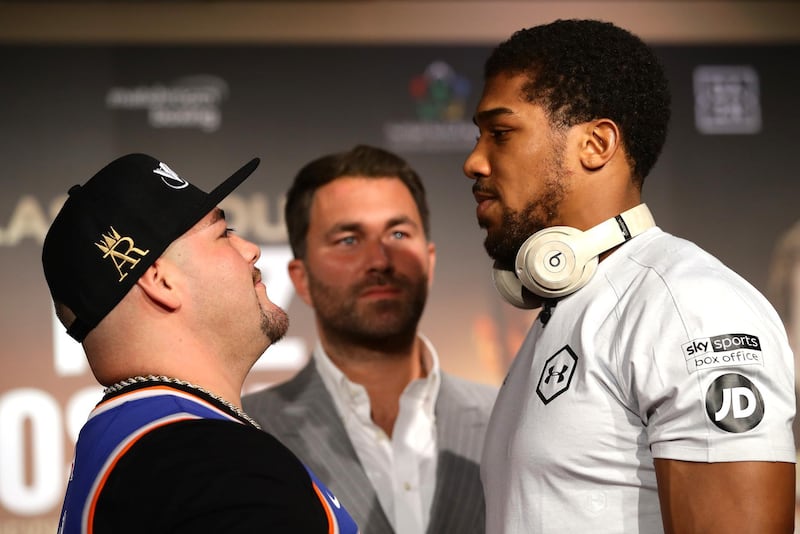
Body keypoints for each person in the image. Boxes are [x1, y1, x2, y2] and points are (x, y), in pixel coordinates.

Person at [462, 19, 795, 534]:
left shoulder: (690, 307)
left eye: (500, 133)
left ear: (596, 144)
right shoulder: (566, 307)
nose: (474, 161)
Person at [43, 153, 359, 533]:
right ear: (162, 282)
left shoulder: (130, 444)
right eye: (223, 233)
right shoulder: (214, 464)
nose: (251, 249)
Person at [243, 145, 497, 534]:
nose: (380, 259)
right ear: (301, 279)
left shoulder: (510, 417)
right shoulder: (247, 434)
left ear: (429, 262)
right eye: (348, 239)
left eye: (398, 233)